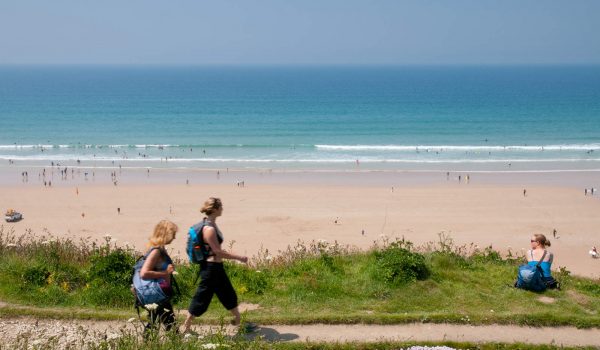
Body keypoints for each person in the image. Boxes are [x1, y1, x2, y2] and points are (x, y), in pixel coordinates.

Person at [182, 197, 254, 334]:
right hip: (211, 269)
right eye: (220, 207)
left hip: (216, 268)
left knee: (228, 294)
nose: (222, 209)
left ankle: (239, 321)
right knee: (201, 298)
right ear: (215, 209)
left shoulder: (210, 223)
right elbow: (217, 251)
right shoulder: (209, 229)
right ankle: (186, 327)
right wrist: (239, 257)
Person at [139, 220, 178, 334]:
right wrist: (165, 273)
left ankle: (148, 344)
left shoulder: (158, 249)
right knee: (170, 324)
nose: (174, 238)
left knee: (154, 322)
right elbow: (144, 273)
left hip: (159, 293)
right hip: (158, 293)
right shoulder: (156, 251)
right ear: (167, 234)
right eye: (173, 234)